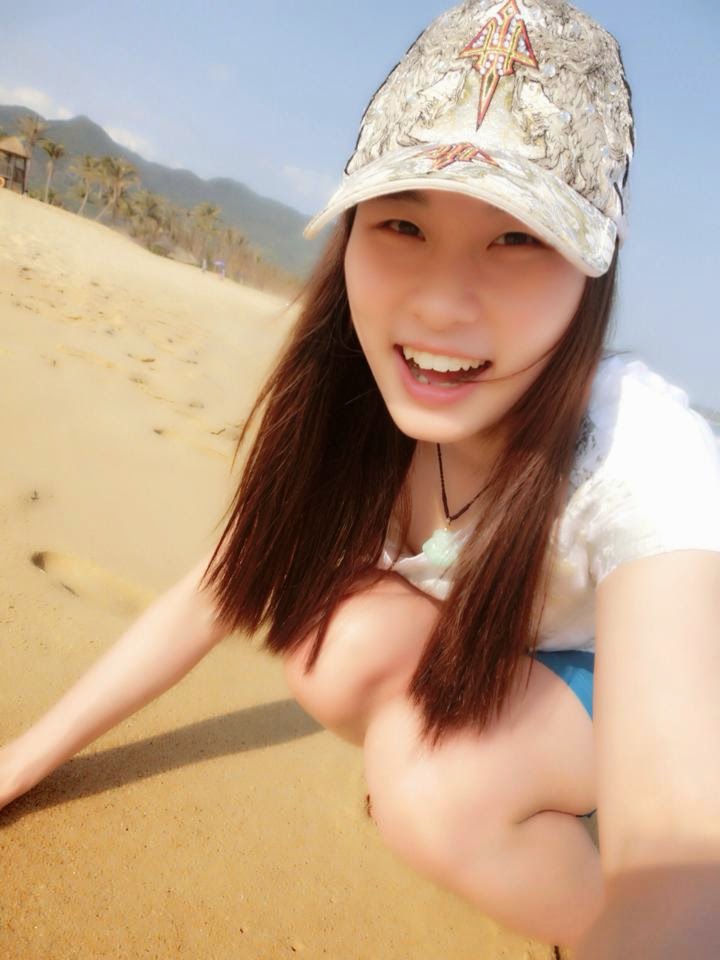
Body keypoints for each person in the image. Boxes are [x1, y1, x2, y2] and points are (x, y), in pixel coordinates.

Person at [2, 0, 719, 955]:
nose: (441, 305)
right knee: (326, 638)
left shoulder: (642, 449)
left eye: (518, 237)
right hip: (503, 657)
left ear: (594, 268)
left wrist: (655, 917)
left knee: (435, 795)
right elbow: (216, 588)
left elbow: (677, 844)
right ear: (350, 230)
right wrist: (21, 761)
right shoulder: (355, 394)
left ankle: (559, 890)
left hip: (615, 688)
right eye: (403, 223)